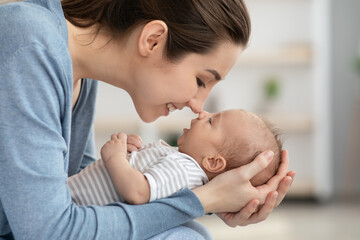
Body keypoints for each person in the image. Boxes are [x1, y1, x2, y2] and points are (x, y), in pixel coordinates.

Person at [0, 0, 295, 239]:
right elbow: (51, 231)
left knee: (187, 234)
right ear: (153, 40)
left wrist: (214, 191)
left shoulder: (79, 74)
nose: (197, 106)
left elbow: (83, 190)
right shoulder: (30, 44)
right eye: (201, 80)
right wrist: (204, 200)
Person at [68, 109, 282, 206]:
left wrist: (115, 158)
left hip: (77, 204)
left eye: (211, 121)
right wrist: (131, 153)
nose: (202, 113)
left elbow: (137, 192)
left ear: (212, 161)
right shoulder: (180, 160)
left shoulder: (184, 170)